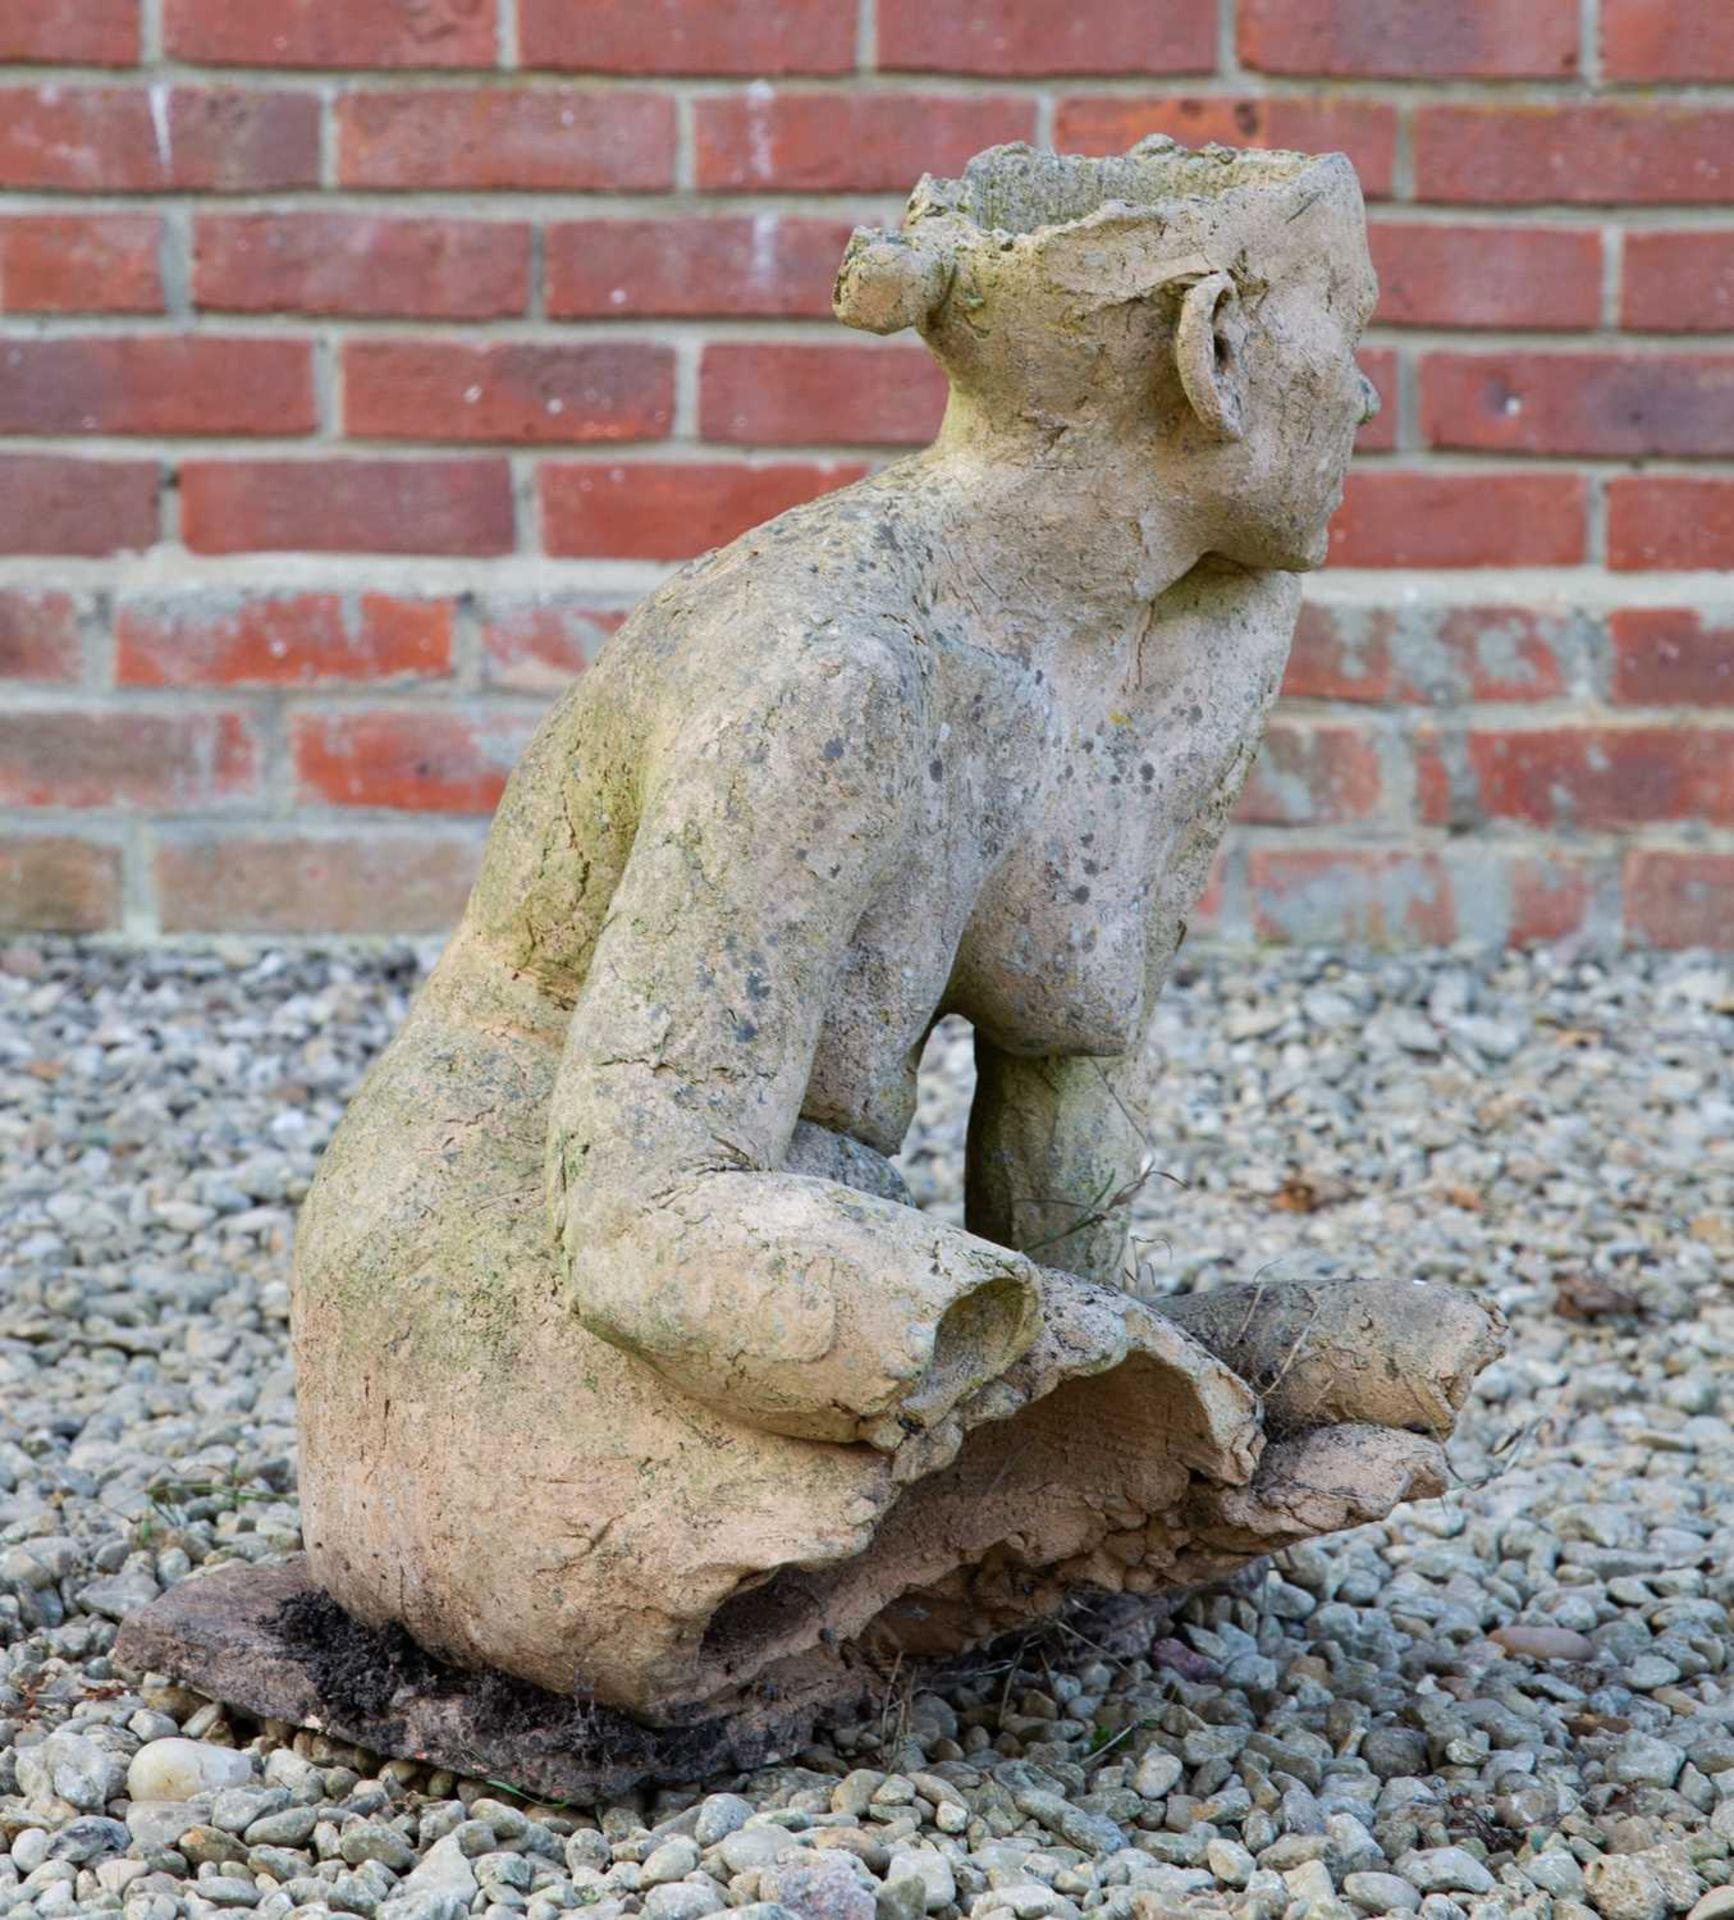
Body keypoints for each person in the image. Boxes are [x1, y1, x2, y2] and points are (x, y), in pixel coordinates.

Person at [294, 140, 1499, 1724]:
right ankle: (955, 1494)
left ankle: (1030, 1466)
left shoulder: (1185, 618)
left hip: (792, 1238)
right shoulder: (835, 668)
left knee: (1322, 1366)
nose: (1357, 394)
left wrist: (1100, 1334)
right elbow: (637, 1203)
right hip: (528, 1243)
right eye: (1339, 330)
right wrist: (1073, 1366)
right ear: (1209, 353)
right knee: (1065, 1398)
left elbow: (1061, 1062)